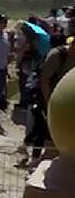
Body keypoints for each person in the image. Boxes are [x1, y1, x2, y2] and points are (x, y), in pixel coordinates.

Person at [24, 33, 71, 167]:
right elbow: (44, 80)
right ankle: (34, 161)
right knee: (41, 130)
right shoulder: (57, 55)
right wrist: (49, 101)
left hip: (62, 101)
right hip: (46, 98)